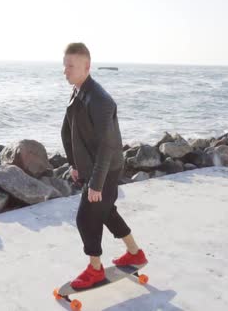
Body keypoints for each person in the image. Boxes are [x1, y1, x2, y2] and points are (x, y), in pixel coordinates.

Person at [61, 42, 148, 289]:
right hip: (92, 166)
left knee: (86, 218)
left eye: (70, 66)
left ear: (86, 66)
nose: (65, 71)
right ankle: (134, 253)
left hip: (106, 169)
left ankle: (95, 269)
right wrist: (73, 164)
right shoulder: (79, 90)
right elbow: (70, 131)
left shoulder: (100, 99)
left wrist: (97, 183)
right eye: (64, 65)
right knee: (106, 211)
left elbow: (107, 146)